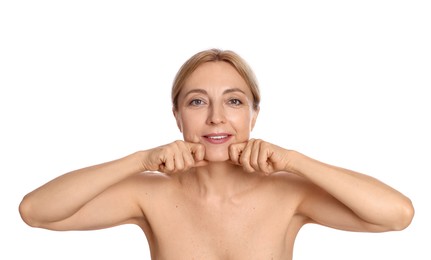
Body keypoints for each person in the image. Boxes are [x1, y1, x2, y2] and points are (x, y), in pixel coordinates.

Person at [19, 48, 414, 260]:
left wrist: (295, 161)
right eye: (196, 102)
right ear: (177, 116)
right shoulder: (149, 194)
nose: (216, 118)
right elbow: (36, 212)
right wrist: (139, 160)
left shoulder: (290, 193)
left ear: (254, 115)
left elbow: (397, 216)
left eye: (235, 101)